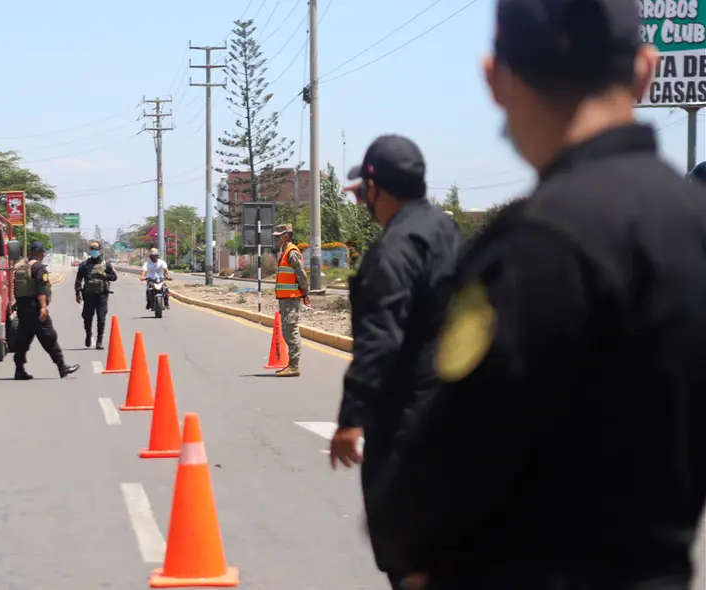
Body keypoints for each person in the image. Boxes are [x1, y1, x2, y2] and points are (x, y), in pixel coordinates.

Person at [365, 1, 706, 589]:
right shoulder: (691, 223)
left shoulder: (535, 245)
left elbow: (439, 471)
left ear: (497, 79)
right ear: (645, 70)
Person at [328, 135, 463, 589]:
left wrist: (351, 418)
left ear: (377, 189)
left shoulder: (395, 249)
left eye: (363, 194)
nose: (364, 204)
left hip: (408, 425)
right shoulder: (448, 233)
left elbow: (379, 339)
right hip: (456, 416)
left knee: (407, 554)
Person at [12, 241, 79, 380]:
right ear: (40, 253)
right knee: (49, 337)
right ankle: (62, 367)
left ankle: (19, 370)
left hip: (22, 309)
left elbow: (16, 288)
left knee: (22, 341)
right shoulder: (38, 268)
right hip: (35, 309)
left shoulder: (20, 267)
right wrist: (43, 307)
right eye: (43, 253)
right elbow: (41, 288)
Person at [271, 224, 309, 377]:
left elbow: (301, 274)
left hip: (292, 298)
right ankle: (291, 365)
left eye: (279, 236)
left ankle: (294, 366)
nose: (277, 239)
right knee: (287, 330)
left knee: (291, 330)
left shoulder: (292, 252)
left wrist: (305, 293)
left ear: (286, 235)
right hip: (285, 298)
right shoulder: (284, 252)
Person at [74, 240, 117, 349]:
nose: (93, 252)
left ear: (100, 251)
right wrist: (77, 293)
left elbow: (114, 277)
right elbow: (79, 279)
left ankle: (99, 341)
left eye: (96, 250)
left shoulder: (106, 264)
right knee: (87, 317)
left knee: (101, 318)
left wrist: (104, 275)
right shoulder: (85, 264)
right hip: (88, 295)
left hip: (102, 295)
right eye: (92, 250)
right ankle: (88, 334)